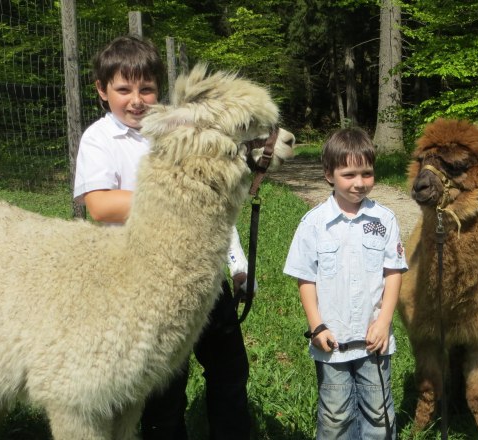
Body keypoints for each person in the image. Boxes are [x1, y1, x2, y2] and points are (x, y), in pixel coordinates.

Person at [73, 34, 251, 440]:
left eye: (147, 88)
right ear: (102, 91)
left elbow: (213, 203)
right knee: (164, 388)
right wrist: (176, 194)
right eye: (123, 89)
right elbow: (99, 204)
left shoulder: (182, 132)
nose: (136, 99)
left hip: (202, 272)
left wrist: (236, 264)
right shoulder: (99, 140)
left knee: (230, 370)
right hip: (144, 281)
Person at [283, 127, 407, 439]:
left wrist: (384, 321)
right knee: (336, 414)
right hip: (332, 343)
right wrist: (317, 326)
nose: (359, 183)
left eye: (366, 173)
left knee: (379, 414)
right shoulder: (313, 224)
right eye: (349, 174)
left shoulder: (385, 220)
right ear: (329, 174)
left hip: (373, 342)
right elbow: (305, 277)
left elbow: (394, 272)